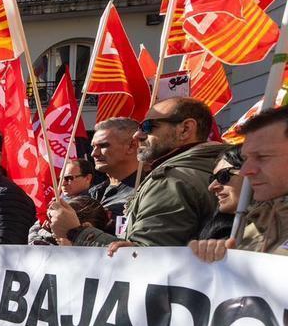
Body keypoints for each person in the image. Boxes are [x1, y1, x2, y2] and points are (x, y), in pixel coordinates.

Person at [51, 98, 225, 250]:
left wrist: (76, 231)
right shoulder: (217, 172)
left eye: (148, 126)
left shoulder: (171, 181)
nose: (138, 134)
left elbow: (142, 261)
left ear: (185, 129)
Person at [191, 106, 288, 261]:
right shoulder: (256, 226)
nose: (245, 171)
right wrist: (216, 263)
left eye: (262, 156)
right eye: (246, 158)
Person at [86, 118, 142, 223]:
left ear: (131, 146)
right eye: (93, 147)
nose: (94, 153)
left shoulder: (147, 192)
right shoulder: (94, 193)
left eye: (103, 146)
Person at [196, 147, 244, 241]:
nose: (211, 187)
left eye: (223, 176)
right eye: (212, 179)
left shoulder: (268, 232)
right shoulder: (219, 231)